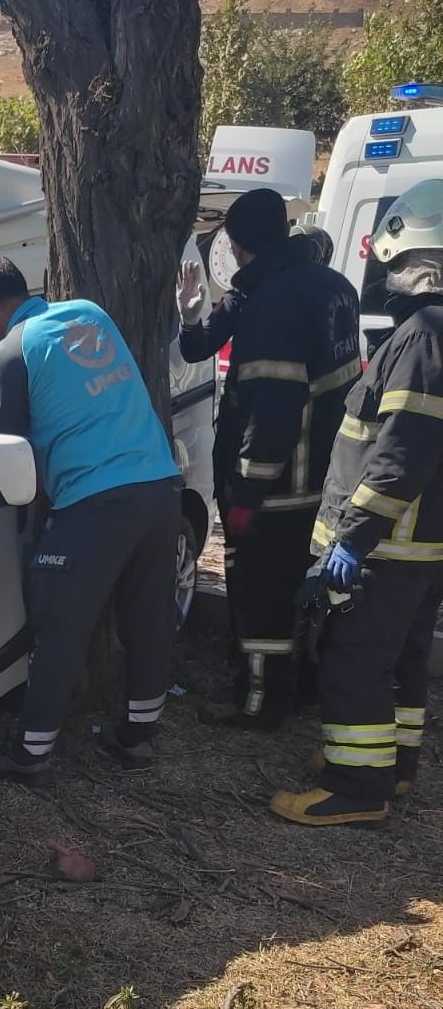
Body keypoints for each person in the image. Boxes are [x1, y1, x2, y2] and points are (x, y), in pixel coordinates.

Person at [0, 256, 182, 783]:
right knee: (147, 619)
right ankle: (136, 738)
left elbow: (2, 445)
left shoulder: (10, 352)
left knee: (59, 626)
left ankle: (30, 754)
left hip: (95, 502)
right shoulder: (88, 313)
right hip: (158, 486)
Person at [270, 177, 443, 827]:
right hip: (420, 545)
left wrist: (351, 540)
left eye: (394, 264)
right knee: (401, 662)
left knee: (354, 658)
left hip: (387, 546)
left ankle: (356, 786)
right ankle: (391, 768)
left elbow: (402, 453)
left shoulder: (425, 332)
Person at [177, 188, 360, 728]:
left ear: (234, 244)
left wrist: (246, 495)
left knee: (261, 595)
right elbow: (199, 347)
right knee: (298, 590)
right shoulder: (328, 286)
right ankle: (302, 686)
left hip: (280, 485)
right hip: (326, 476)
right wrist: (191, 317)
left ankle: (260, 703)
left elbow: (272, 413)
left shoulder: (274, 304)